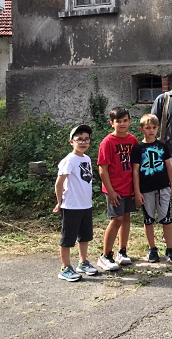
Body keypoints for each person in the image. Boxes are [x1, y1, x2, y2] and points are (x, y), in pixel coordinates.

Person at [132, 114, 172, 264]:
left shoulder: (162, 146)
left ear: (157, 128)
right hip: (146, 189)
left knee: (166, 219)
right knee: (149, 219)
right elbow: (135, 171)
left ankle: (170, 248)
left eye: (153, 128)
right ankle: (152, 248)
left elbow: (169, 167)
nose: (151, 131)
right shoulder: (138, 148)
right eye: (148, 128)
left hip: (163, 187)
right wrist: (137, 191)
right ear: (142, 129)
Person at [54, 124, 98, 281]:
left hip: (85, 205)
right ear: (71, 142)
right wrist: (60, 202)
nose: (83, 142)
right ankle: (65, 268)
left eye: (86, 139)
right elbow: (59, 183)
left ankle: (83, 262)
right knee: (67, 238)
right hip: (71, 206)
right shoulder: (69, 160)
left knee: (84, 236)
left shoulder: (86, 159)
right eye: (79, 139)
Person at [97, 107, 138, 271]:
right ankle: (105, 255)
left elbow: (135, 166)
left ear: (129, 121)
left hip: (129, 187)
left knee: (126, 218)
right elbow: (102, 169)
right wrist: (111, 191)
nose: (122, 124)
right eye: (118, 121)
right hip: (114, 189)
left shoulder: (133, 140)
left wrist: (136, 188)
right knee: (117, 220)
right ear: (112, 123)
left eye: (125, 120)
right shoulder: (107, 142)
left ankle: (122, 251)